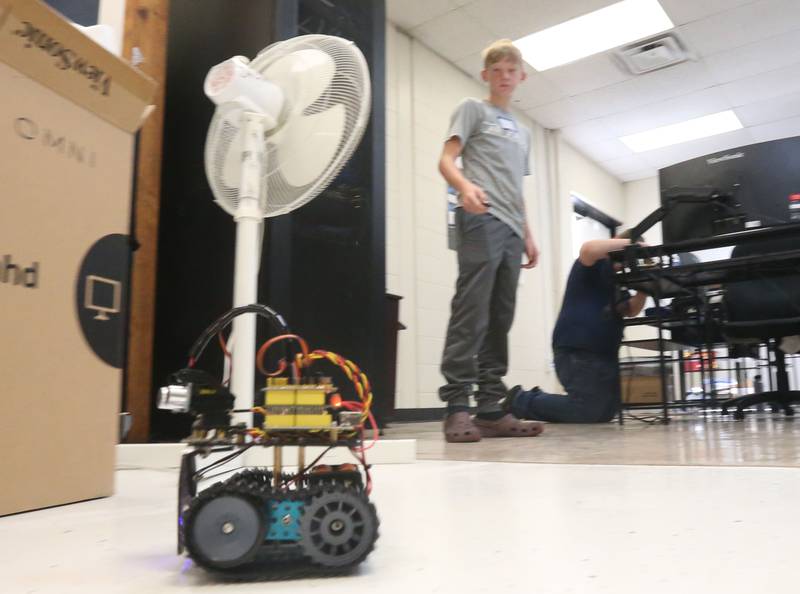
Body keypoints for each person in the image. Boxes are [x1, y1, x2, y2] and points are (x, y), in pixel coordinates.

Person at [438, 39, 543, 443]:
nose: (503, 76)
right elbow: (446, 160)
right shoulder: (472, 110)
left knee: (500, 318)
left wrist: (529, 234)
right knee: (472, 312)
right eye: (495, 70)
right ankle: (457, 407)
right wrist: (464, 187)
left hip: (513, 229)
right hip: (481, 219)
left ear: (521, 77)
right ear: (486, 75)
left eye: (510, 70)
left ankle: (490, 409)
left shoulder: (524, 132)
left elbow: (516, 188)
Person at [505, 235, 647, 423]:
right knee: (588, 410)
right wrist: (635, 246)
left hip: (602, 354)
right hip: (577, 351)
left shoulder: (617, 282)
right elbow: (588, 249)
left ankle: (531, 400)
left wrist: (644, 287)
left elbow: (630, 309)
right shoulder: (594, 264)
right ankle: (521, 401)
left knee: (607, 411)